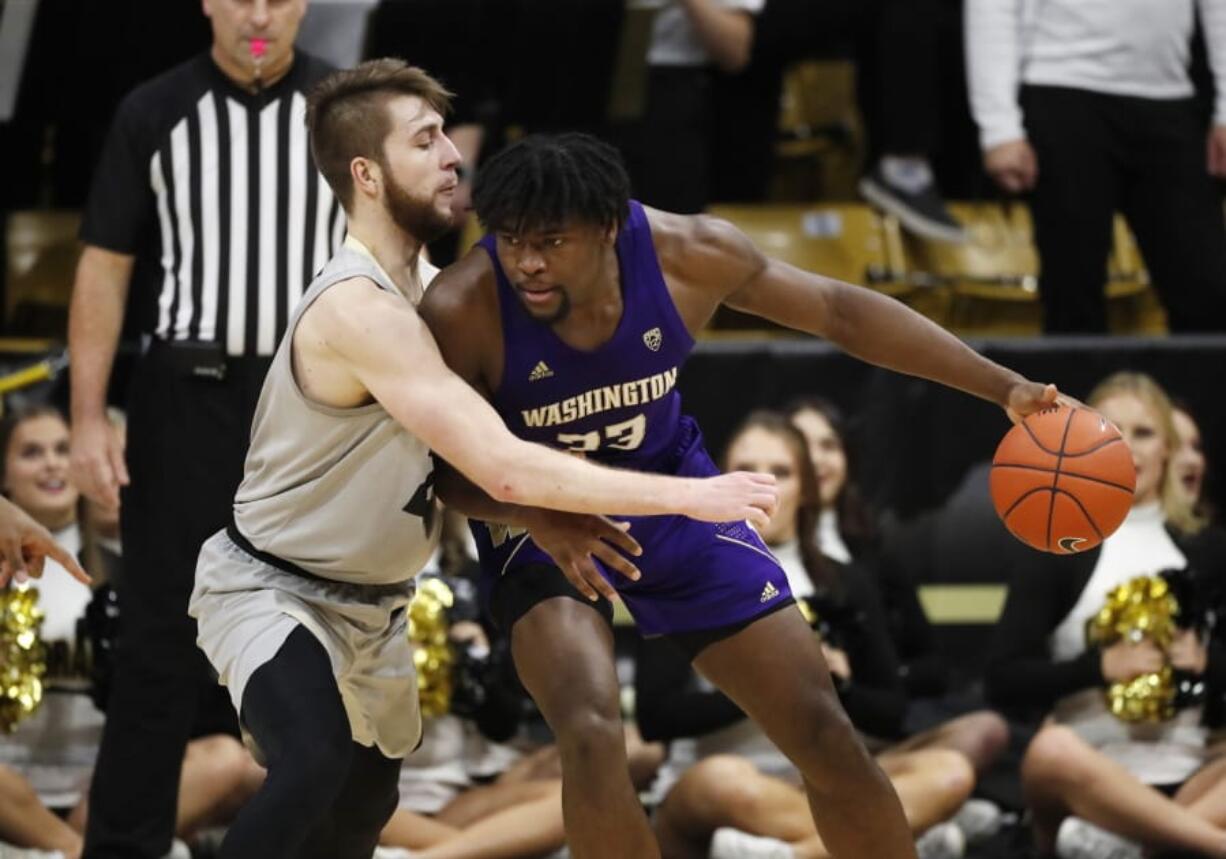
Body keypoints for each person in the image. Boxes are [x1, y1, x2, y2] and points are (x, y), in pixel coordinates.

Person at [418, 131, 1069, 858]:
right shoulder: (462, 306)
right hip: (537, 510)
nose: (526, 263)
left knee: (820, 725)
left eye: (548, 241)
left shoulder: (689, 253)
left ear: (607, 228)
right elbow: (439, 470)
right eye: (509, 241)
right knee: (593, 732)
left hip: (668, 486)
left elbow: (840, 310)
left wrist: (1000, 386)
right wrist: (536, 513)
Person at [188, 59, 777, 859]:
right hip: (274, 584)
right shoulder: (359, 307)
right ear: (366, 172)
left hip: (379, 603)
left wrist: (536, 513)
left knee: (361, 804)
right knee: (311, 758)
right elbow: (501, 463)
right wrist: (685, 497)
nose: (452, 157)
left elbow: (462, 477)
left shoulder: (442, 295)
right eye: (425, 140)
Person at [65, 1, 339, 856]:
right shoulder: (154, 109)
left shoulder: (348, 106)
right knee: (158, 643)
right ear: (208, 3)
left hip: (318, 401)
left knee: (334, 631)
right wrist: (85, 416)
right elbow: (104, 270)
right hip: (187, 398)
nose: (258, 15)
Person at [640, 411, 974, 859]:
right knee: (721, 781)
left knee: (949, 770)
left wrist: (837, 684)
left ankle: (791, 853)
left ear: (806, 491)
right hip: (731, 776)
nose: (760, 483)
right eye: (746, 469)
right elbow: (655, 716)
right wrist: (768, 688)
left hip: (820, 775)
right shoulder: (681, 573)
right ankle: (901, 839)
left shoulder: (843, 581)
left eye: (780, 472)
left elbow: (891, 712)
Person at [0, 407, 263, 859]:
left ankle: (88, 842)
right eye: (31, 452)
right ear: (4, 477)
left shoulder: (124, 570)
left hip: (102, 789)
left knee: (226, 757)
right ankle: (82, 852)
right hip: (10, 789)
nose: (51, 463)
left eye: (64, 450)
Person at [986, 372, 1226, 858]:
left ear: (1169, 449)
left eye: (1144, 432)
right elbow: (1002, 679)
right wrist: (1096, 668)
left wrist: (1207, 660)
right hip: (1088, 772)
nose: (1128, 445)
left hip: (1193, 772)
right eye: (1111, 430)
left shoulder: (1210, 549)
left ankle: (1132, 846)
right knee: (1052, 751)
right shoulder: (1054, 545)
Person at [966, 0, 1226, 333]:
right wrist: (998, 127)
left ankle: (1203, 387)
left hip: (1169, 95)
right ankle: (1073, 386)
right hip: (1062, 85)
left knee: (1208, 288)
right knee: (1072, 290)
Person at [785, 396, 1010, 780]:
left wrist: (873, 673)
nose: (816, 460)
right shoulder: (747, 545)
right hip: (775, 739)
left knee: (985, 730)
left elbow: (933, 667)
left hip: (870, 732)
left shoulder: (872, 551)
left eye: (829, 445)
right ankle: (921, 809)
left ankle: (915, 797)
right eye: (801, 446)